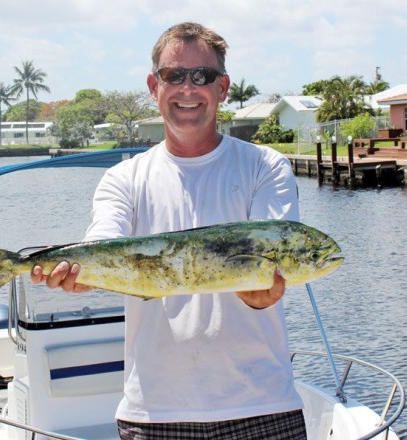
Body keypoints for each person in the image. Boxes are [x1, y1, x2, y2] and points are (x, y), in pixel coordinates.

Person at [32, 22, 307, 440]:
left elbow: (270, 256)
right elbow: (102, 244)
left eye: (203, 76)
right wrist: (77, 273)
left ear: (223, 87)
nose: (188, 88)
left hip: (263, 405)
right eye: (174, 75)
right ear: (153, 85)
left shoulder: (265, 167)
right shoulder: (123, 179)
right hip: (154, 415)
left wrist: (261, 297)